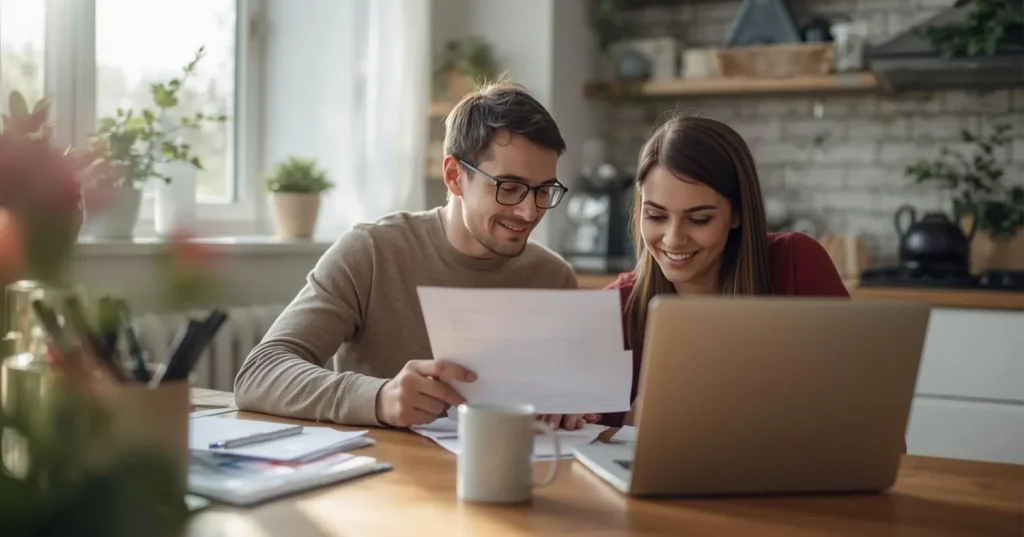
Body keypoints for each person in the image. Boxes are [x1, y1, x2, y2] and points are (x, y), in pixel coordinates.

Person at [235, 81, 590, 430]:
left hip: (508, 474)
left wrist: (570, 407)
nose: (530, 212)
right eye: (509, 188)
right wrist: (379, 397)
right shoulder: (372, 252)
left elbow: (570, 400)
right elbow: (261, 373)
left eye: (544, 191)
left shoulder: (554, 277)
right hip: (385, 479)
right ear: (453, 176)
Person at [599, 114, 852, 428]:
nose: (673, 239)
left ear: (737, 214)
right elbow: (589, 452)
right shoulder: (614, 309)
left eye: (699, 219)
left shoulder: (795, 264)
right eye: (656, 216)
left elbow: (865, 414)